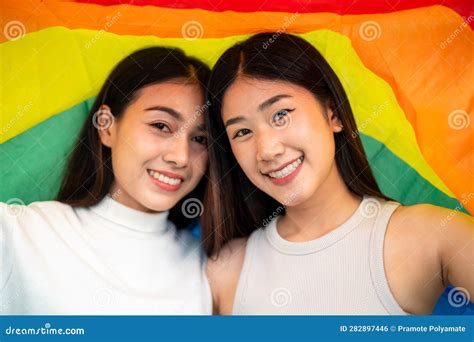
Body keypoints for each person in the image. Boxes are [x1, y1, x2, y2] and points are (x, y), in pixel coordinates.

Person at [203, 33, 474, 315]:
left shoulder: (430, 234)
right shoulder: (225, 272)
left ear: (332, 113)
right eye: (242, 132)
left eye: (280, 115)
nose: (267, 149)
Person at [1, 47, 212, 314]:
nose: (181, 157)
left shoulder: (213, 271)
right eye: (161, 126)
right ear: (107, 126)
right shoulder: (18, 234)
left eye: (200, 139)